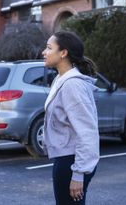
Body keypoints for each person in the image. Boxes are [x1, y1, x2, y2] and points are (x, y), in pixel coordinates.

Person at [42, 30, 100, 205]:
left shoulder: (72, 85)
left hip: (73, 161)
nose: (44, 52)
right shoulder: (59, 80)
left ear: (63, 53)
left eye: (48, 48)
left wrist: (78, 174)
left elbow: (87, 131)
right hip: (65, 159)